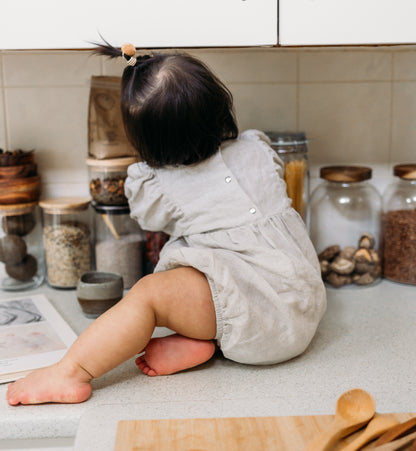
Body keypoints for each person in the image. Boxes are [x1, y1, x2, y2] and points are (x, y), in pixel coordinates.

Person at [6, 42, 326, 406]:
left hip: (255, 320)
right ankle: (205, 341)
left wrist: (150, 169)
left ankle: (70, 372)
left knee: (148, 296)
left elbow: (146, 217)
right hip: (302, 306)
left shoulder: (156, 184)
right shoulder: (257, 148)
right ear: (221, 107)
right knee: (211, 280)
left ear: (144, 143)